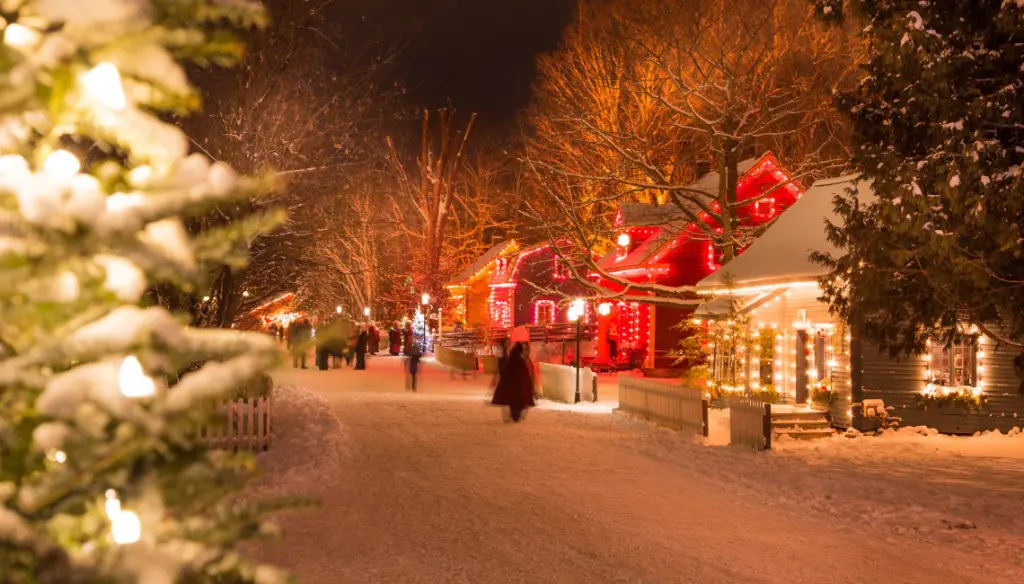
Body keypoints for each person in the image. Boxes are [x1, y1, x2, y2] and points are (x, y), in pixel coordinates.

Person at [491, 342, 536, 423]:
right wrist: (529, 386)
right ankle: (516, 416)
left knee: (513, 404)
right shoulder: (520, 361)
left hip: (512, 389)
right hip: (519, 390)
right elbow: (525, 375)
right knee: (518, 404)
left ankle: (514, 415)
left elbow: (506, 375)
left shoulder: (510, 360)